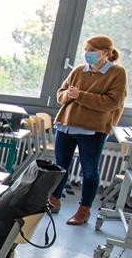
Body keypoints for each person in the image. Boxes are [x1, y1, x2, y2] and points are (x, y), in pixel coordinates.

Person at [49, 34, 128, 225]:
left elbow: (112, 102)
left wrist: (80, 95)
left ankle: (84, 210)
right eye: (86, 50)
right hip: (66, 125)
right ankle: (54, 199)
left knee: (90, 170)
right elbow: (60, 94)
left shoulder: (116, 73)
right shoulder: (78, 71)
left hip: (93, 129)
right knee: (60, 166)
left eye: (92, 50)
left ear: (106, 53)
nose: (87, 54)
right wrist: (68, 94)